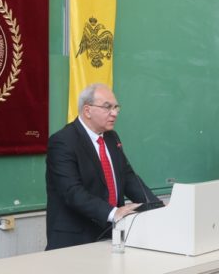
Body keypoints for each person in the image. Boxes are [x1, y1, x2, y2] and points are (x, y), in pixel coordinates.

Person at [45, 83, 161, 250]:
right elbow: (72, 192)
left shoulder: (112, 137)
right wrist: (113, 213)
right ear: (87, 110)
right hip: (75, 240)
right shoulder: (63, 141)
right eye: (107, 107)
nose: (114, 113)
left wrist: (156, 206)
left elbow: (128, 177)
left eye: (116, 107)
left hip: (111, 234)